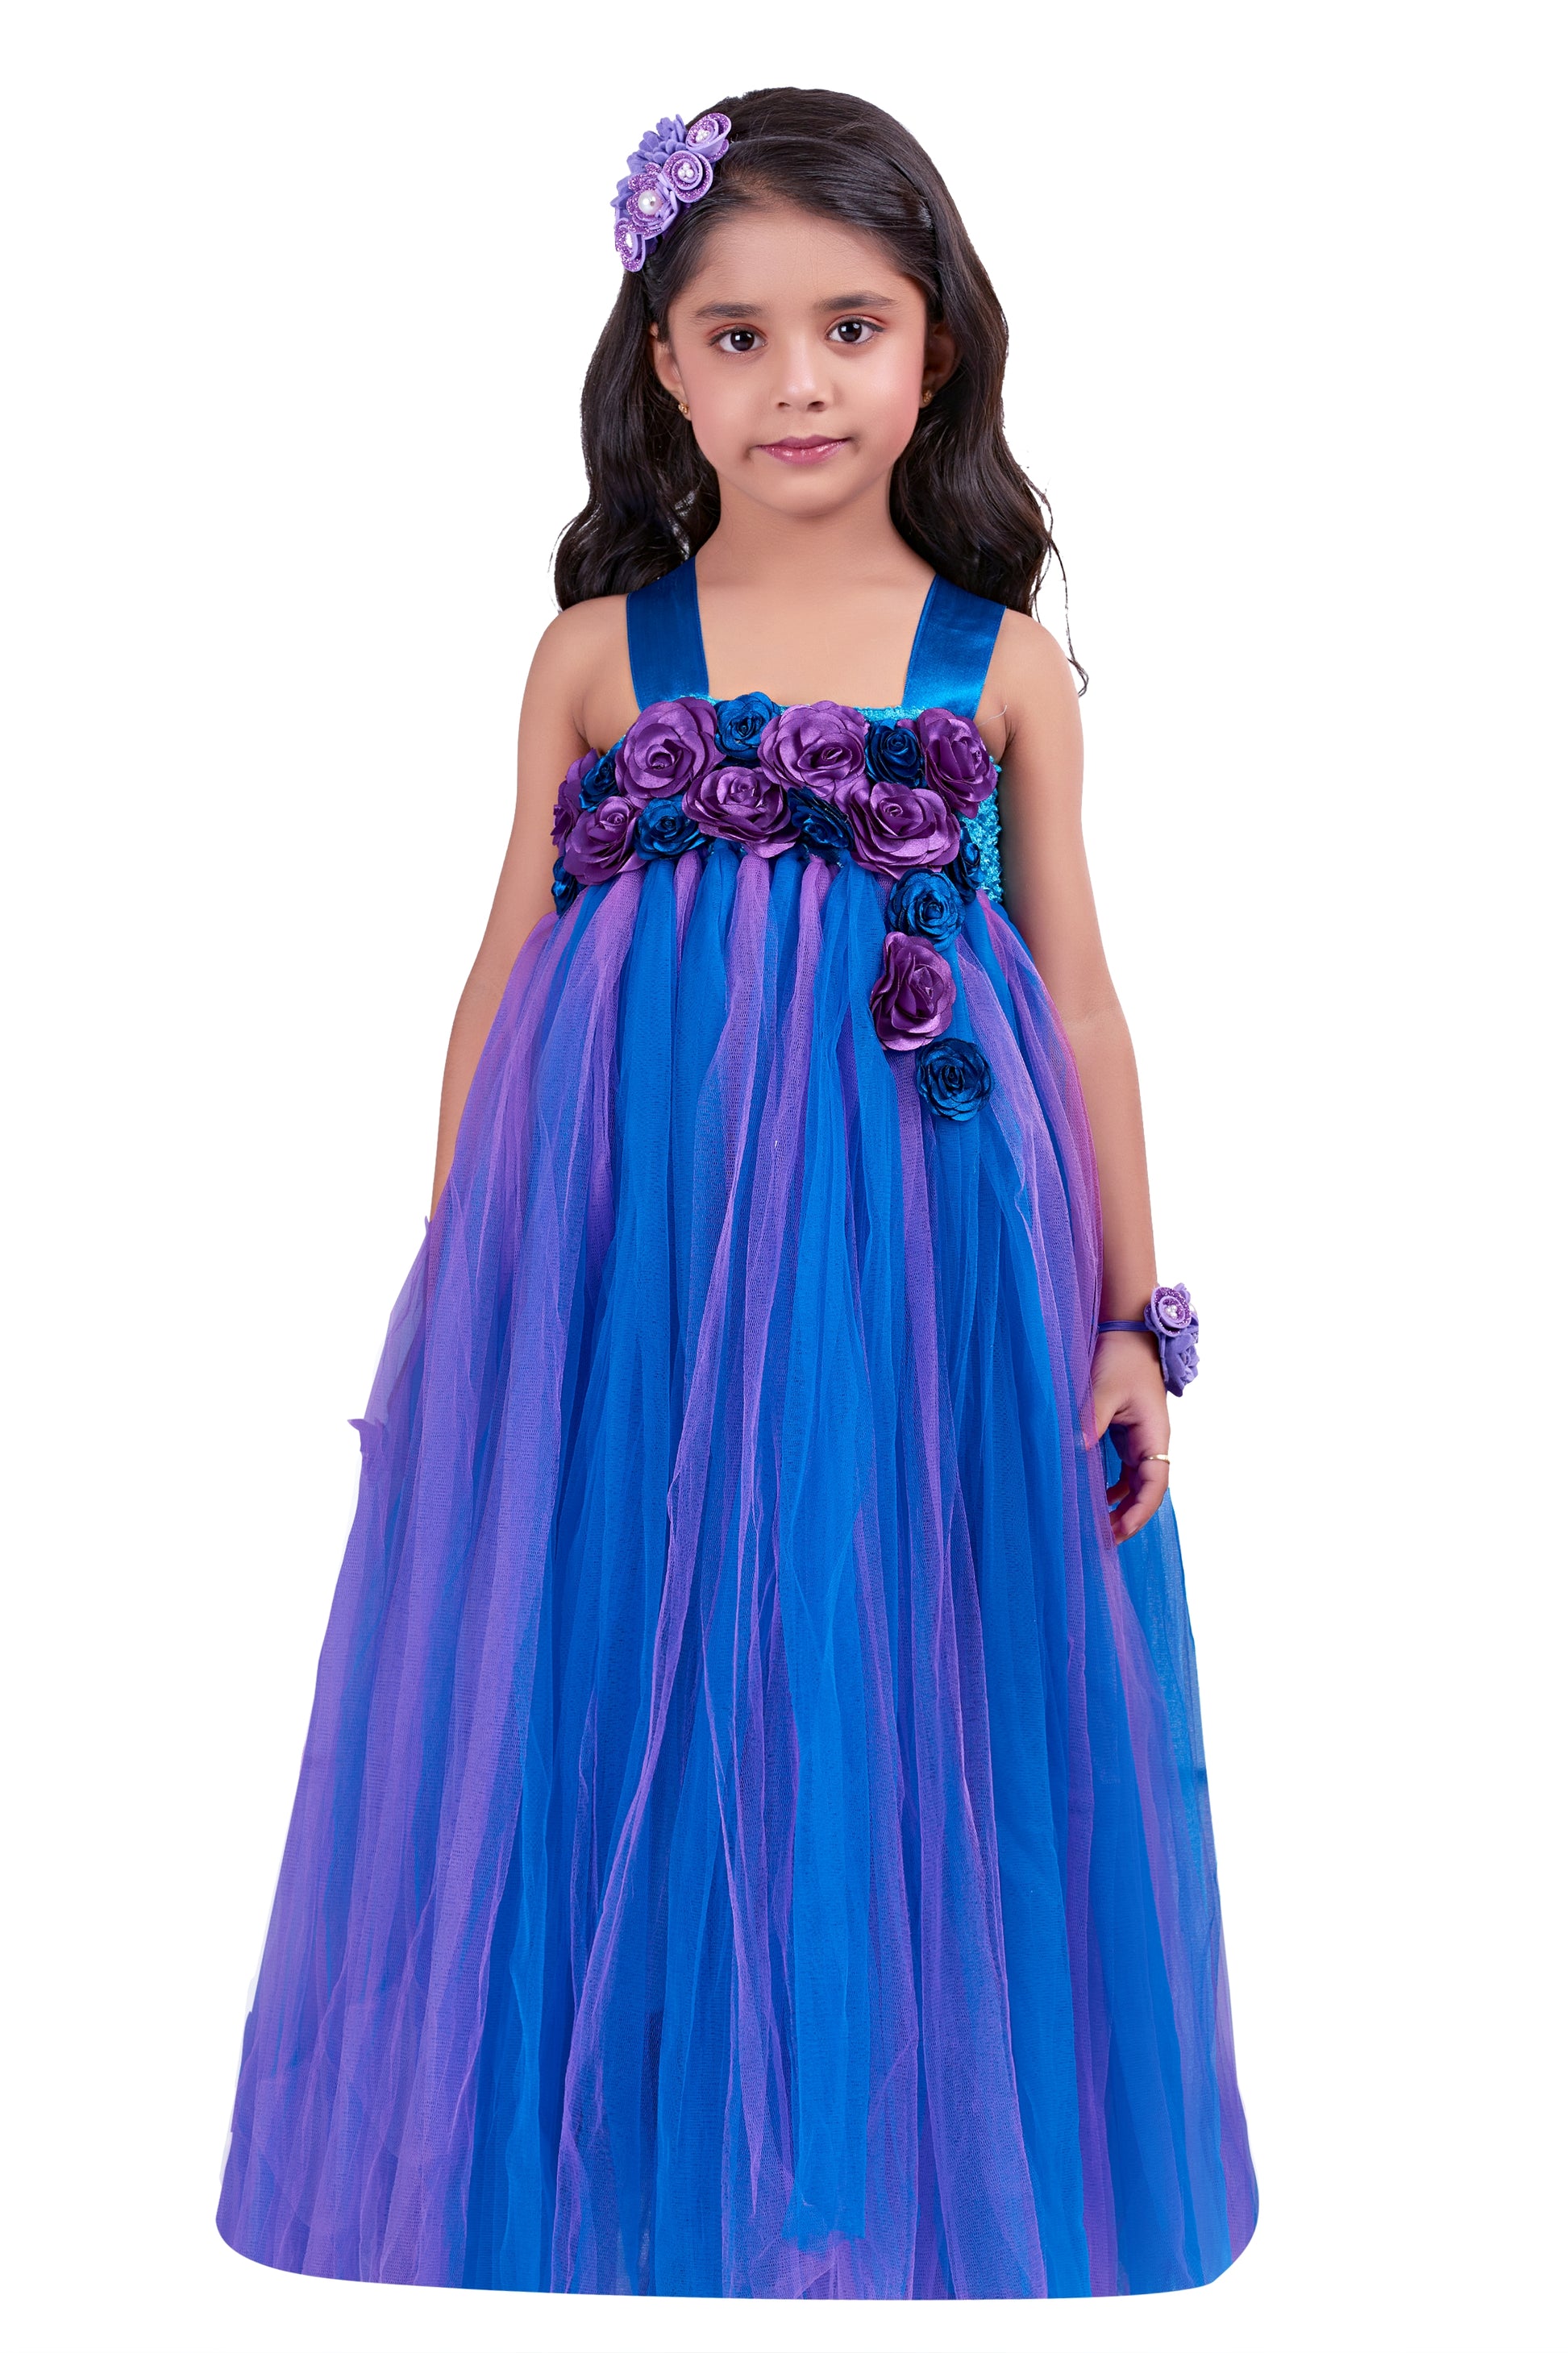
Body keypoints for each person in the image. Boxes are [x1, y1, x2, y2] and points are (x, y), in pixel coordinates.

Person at [217, 85, 1258, 2299]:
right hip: (639, 1250)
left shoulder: (1000, 662)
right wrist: (463, 1281)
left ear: (936, 352)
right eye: (738, 333)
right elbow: (507, 965)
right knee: (632, 1640)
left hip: (924, 1256)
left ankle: (868, 2182)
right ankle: (635, 2164)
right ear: (663, 368)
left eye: (850, 328)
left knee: (883, 1639)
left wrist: (1124, 1314)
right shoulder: (602, 654)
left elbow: (1079, 1000)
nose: (799, 381)